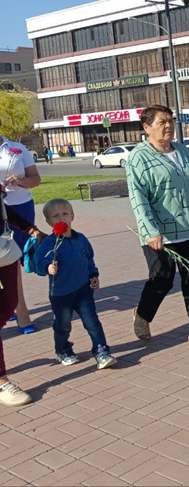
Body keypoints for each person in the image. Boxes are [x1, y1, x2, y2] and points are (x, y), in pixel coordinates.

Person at [126, 105, 189, 349]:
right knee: (161, 280)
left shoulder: (182, 151)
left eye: (170, 121)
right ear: (146, 128)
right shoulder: (138, 158)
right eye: (161, 122)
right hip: (160, 233)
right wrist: (149, 231)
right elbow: (138, 198)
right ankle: (143, 315)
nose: (168, 126)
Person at [34, 199, 117, 370]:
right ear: (49, 222)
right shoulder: (49, 243)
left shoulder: (81, 239)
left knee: (92, 321)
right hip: (60, 293)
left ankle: (101, 351)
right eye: (55, 216)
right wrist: (47, 267)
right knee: (63, 325)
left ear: (72, 216)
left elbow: (89, 259)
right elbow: (38, 264)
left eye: (65, 214)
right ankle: (63, 350)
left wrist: (94, 274)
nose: (61, 218)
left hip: (83, 290)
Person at [0, 185, 44, 406]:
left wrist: (30, 229)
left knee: (10, 303)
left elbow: (3, 210)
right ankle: (1, 381)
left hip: (3, 248)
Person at [0, 121, 42, 334]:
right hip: (0, 210)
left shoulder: (16, 148)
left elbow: (36, 179)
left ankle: (16, 308)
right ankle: (19, 312)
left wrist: (21, 181)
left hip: (21, 209)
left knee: (14, 259)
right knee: (7, 260)